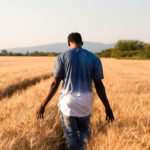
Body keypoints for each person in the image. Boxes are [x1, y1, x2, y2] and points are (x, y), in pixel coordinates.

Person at [36, 32, 114, 150]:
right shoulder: (94, 58)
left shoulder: (61, 58)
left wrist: (42, 104)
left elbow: (54, 84)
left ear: (68, 43)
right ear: (82, 43)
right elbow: (99, 86)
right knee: (84, 131)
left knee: (70, 135)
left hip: (68, 103)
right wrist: (107, 108)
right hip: (86, 102)